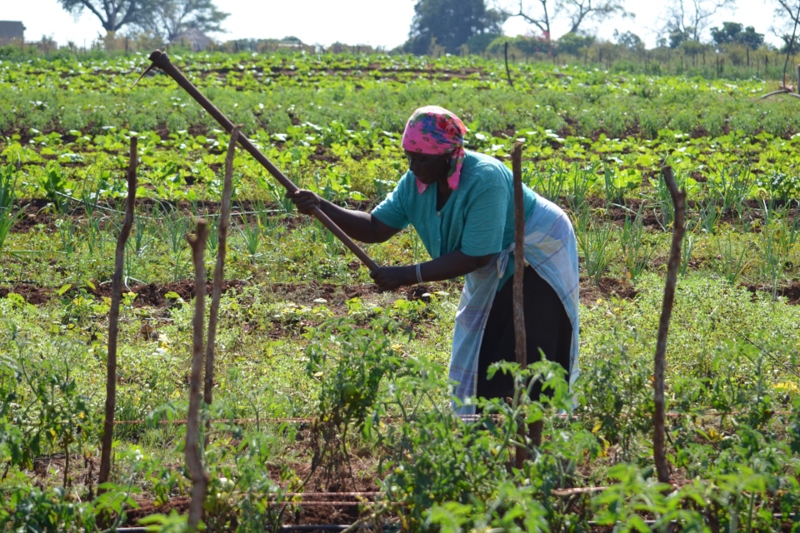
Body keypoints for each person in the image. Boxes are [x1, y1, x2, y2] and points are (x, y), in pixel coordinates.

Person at [289, 105, 579, 415]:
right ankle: (484, 428)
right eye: (409, 157)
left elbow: (476, 255)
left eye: (421, 159)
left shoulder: (485, 179)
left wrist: (407, 274)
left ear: (447, 155)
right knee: (483, 343)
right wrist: (320, 206)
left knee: (529, 345)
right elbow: (375, 227)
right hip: (493, 256)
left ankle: (530, 434)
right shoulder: (415, 183)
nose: (413, 166)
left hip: (537, 249)